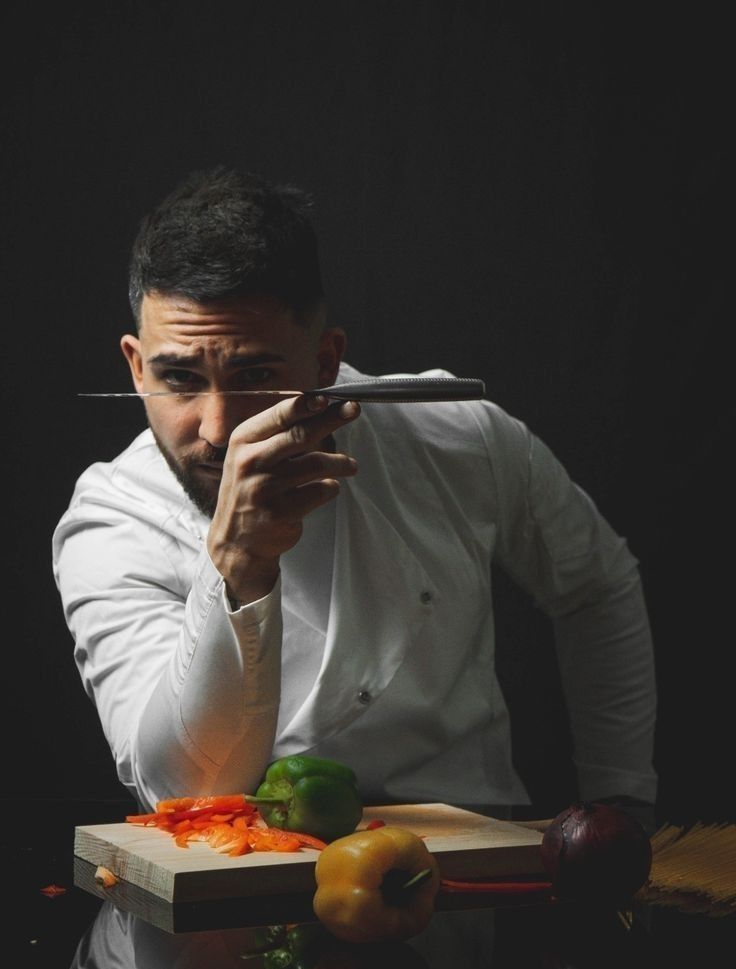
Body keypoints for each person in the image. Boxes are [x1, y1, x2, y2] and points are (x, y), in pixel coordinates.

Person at [52, 165, 657, 829]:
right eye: (179, 378)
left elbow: (597, 586)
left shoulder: (458, 438)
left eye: (256, 374)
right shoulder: (111, 520)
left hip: (481, 859)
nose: (218, 427)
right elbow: (179, 789)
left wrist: (620, 794)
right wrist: (236, 564)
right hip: (243, 879)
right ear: (137, 368)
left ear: (325, 361)